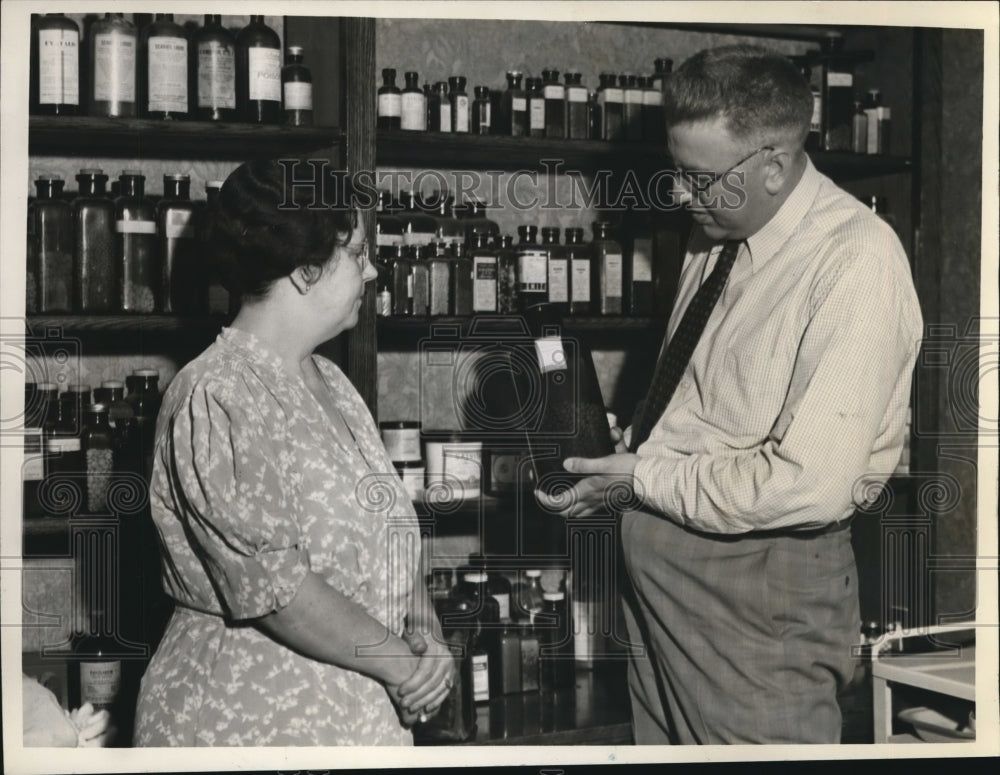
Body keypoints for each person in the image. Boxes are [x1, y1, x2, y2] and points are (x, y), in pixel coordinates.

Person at [537, 45, 923, 744]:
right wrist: (617, 473)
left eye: (697, 177)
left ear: (773, 164)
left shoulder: (856, 260)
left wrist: (648, 475)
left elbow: (808, 485)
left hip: (758, 603)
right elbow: (706, 407)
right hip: (659, 590)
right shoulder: (716, 230)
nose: (681, 195)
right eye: (675, 169)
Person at [134, 159, 453, 746]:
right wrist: (406, 668)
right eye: (358, 254)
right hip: (251, 727)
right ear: (307, 272)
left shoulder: (331, 382)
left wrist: (424, 632)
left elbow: (388, 537)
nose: (374, 270)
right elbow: (279, 593)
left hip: (360, 720)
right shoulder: (216, 396)